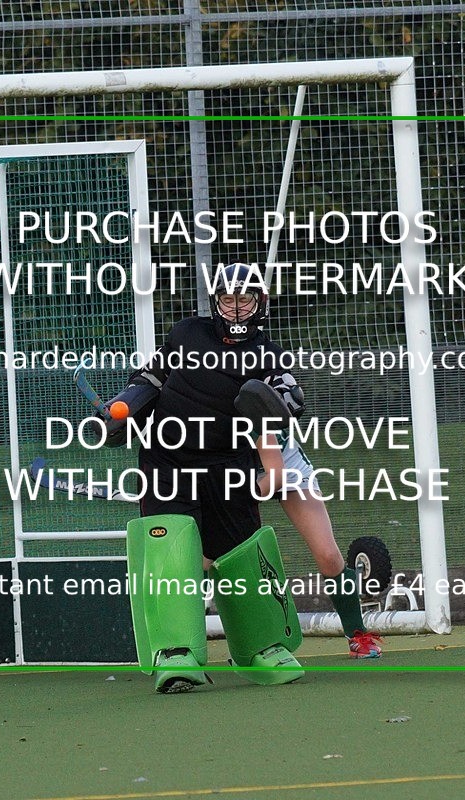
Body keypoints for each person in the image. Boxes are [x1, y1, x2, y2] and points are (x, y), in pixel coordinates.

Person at [95, 263, 307, 693]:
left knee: (240, 554)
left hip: (231, 464)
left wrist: (277, 404)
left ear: (259, 304)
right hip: (167, 460)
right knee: (170, 547)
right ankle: (177, 654)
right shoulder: (186, 334)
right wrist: (121, 410)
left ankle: (262, 647)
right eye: (226, 300)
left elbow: (290, 396)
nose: (234, 309)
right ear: (215, 303)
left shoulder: (269, 354)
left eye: (244, 300)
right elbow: (150, 380)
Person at [255, 433, 383, 658]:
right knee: (207, 559)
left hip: (285, 464)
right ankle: (186, 645)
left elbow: (277, 472)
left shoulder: (253, 404)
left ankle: (357, 634)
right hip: (231, 468)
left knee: (328, 555)